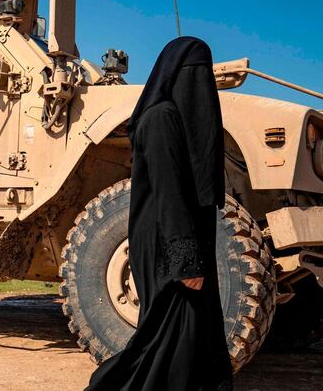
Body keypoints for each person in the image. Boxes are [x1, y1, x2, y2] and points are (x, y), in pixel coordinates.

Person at [86, 36, 232, 391]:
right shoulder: (161, 119)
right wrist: (185, 262)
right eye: (194, 74)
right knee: (168, 335)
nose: (201, 84)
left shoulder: (172, 117)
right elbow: (169, 196)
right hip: (168, 245)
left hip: (181, 241)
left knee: (187, 335)